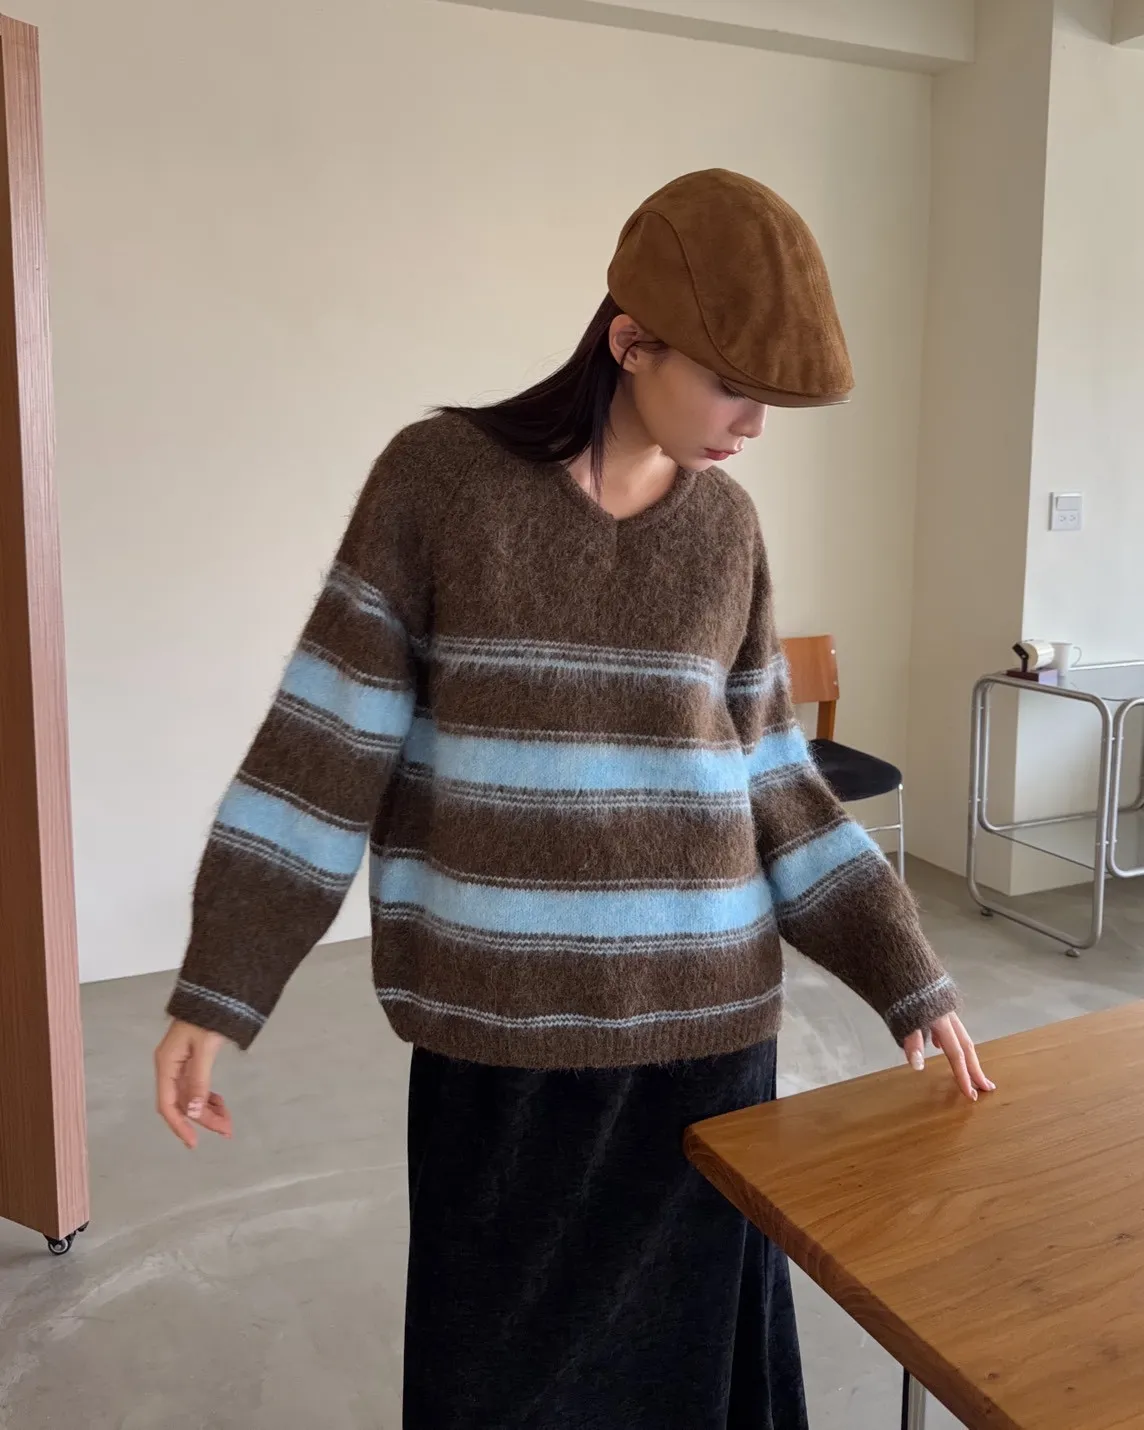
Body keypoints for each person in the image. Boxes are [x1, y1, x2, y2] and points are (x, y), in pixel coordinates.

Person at [154, 168, 993, 1428]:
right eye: (732, 383)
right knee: (497, 1369)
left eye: (771, 399)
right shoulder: (438, 483)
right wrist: (220, 985)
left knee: (693, 1359)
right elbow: (323, 748)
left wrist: (905, 970)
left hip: (705, 1031)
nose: (753, 425)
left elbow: (773, 780)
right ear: (630, 341)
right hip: (502, 1031)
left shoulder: (725, 529)